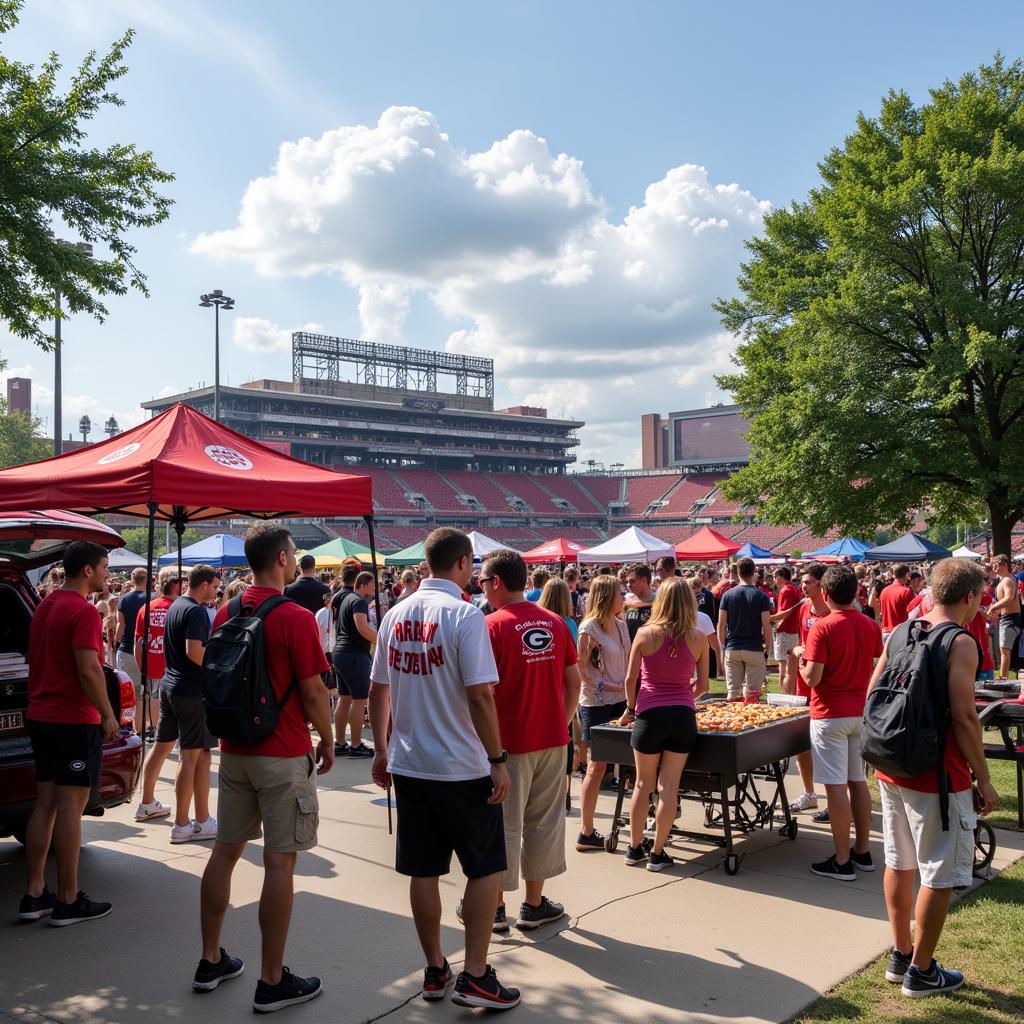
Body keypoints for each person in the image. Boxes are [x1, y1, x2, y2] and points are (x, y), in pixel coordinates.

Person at [368, 528, 519, 1010]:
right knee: (485, 867)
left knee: (424, 870)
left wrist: (380, 749)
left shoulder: (394, 614)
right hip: (460, 763)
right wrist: (497, 760)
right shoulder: (465, 615)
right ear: (462, 563)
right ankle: (475, 973)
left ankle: (436, 968)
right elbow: (480, 694)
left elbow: (378, 690)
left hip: (411, 761)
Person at [197, 522, 334, 1011]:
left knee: (225, 852)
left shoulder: (225, 611)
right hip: (281, 751)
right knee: (279, 862)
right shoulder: (295, 617)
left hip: (235, 750)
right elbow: (315, 691)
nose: (296, 560)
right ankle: (272, 979)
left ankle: (210, 957)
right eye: (294, 553)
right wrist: (330, 739)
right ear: (281, 558)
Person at [867, 558, 999, 997]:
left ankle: (901, 954)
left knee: (899, 863)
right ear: (969, 596)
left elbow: (873, 692)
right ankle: (921, 971)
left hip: (892, 764)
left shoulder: (903, 629)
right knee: (939, 873)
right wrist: (985, 778)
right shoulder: (960, 642)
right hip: (937, 776)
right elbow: (964, 716)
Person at [19, 542, 118, 926]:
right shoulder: (83, 610)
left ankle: (33, 893)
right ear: (89, 570)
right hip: (71, 719)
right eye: (105, 567)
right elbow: (89, 669)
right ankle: (68, 898)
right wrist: (107, 714)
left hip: (41, 715)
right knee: (70, 810)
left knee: (45, 804)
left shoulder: (45, 604)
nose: (108, 574)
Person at [481, 549, 580, 931]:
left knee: (504, 824)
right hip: (551, 738)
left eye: (484, 582)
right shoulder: (555, 622)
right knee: (543, 822)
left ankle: (495, 907)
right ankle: (534, 904)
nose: (482, 588)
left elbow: (481, 693)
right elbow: (574, 683)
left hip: (507, 744)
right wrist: (561, 720)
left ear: (498, 583)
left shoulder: (491, 626)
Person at [799, 565, 882, 881]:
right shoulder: (870, 625)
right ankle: (862, 851)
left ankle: (843, 860)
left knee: (835, 789)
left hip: (829, 713)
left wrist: (801, 658)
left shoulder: (822, 626)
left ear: (826, 593)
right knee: (857, 782)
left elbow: (812, 677)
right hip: (858, 712)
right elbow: (876, 665)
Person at [620, 579, 709, 871]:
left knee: (642, 785)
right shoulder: (698, 637)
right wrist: (684, 697)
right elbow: (704, 685)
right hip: (683, 715)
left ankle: (634, 848)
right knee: (669, 786)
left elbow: (630, 678)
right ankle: (658, 852)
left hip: (649, 714)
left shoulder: (645, 634)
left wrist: (631, 708)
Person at [159, 564, 221, 845]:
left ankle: (200, 819)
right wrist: (219, 662)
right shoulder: (195, 610)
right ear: (205, 584)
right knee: (191, 757)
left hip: (172, 685)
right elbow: (194, 651)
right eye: (216, 587)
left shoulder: (176, 605)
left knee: (200, 756)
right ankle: (183, 823)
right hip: (190, 691)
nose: (216, 592)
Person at [576, 574, 631, 851]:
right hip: (597, 703)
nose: (625, 596)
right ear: (608, 596)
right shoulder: (588, 628)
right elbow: (582, 670)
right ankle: (586, 832)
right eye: (621, 593)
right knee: (596, 766)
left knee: (632, 762)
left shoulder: (621, 625)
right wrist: (609, 684)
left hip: (623, 699)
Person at [133, 568, 182, 821]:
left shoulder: (147, 608)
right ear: (176, 585)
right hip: (175, 672)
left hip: (152, 667)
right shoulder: (180, 608)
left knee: (155, 704)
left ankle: (157, 734)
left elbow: (138, 642)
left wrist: (142, 669)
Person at [789, 563, 829, 816]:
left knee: (825, 747)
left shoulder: (832, 612)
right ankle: (809, 793)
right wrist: (797, 651)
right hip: (802, 684)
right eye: (802, 582)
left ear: (821, 585)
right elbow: (801, 641)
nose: (803, 586)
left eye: (808, 582)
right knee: (801, 742)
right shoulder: (804, 607)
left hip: (824, 686)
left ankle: (834, 801)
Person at [331, 566, 377, 757]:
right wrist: (382, 640)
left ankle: (340, 742)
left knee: (344, 697)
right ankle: (356, 744)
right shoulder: (358, 602)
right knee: (359, 700)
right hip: (354, 654)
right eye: (373, 586)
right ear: (364, 585)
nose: (374, 590)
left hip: (341, 653)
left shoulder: (344, 599)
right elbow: (363, 628)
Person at [716, 558, 772, 703]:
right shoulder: (761, 596)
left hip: (733, 648)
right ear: (754, 572)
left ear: (737, 573)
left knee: (733, 694)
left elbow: (721, 625)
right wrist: (768, 648)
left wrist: (722, 647)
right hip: (754, 648)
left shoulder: (727, 595)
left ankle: (731, 723)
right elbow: (767, 626)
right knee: (752, 695)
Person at [114, 568, 151, 733]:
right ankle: (142, 725)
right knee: (143, 692)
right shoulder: (152, 598)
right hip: (144, 650)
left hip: (126, 648)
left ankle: (128, 724)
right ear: (147, 579)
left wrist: (116, 643)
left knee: (126, 691)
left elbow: (120, 626)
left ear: (132, 579)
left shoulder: (124, 599)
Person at [769, 566, 802, 695]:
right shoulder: (793, 588)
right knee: (791, 665)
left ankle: (784, 694)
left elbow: (784, 613)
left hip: (785, 632)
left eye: (774, 577)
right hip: (792, 630)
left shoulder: (785, 590)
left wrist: (769, 618)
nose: (774, 580)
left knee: (783, 667)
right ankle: (791, 693)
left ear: (780, 577)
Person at [988, 553, 1021, 680]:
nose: (994, 568)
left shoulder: (1007, 580)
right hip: (1008, 618)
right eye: (992, 565)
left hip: (1010, 620)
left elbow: (1009, 598)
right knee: (1005, 652)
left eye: (996, 565)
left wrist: (993, 607)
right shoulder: (1004, 580)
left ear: (1005, 565)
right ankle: (1004, 678)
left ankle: (1003, 680)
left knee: (1004, 652)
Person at [879, 564, 915, 642]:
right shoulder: (906, 591)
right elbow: (914, 613)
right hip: (899, 633)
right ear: (907, 574)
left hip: (885, 633)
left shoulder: (884, 590)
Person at [623, 563, 657, 642]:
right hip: (629, 651)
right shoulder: (627, 598)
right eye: (627, 582)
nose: (628, 585)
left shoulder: (658, 599)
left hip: (650, 650)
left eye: (632, 581)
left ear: (644, 580)